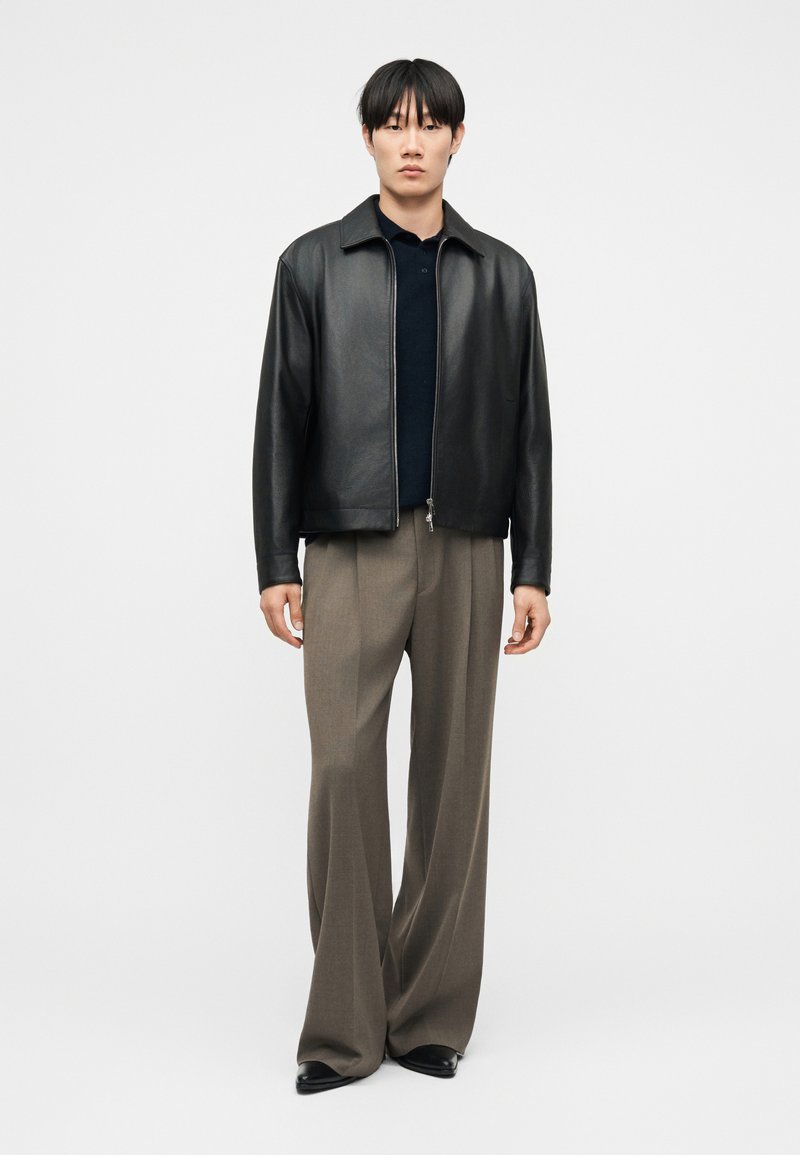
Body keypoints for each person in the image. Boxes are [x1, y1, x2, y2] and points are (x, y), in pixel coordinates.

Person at [252, 57, 553, 1095]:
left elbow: (530, 430)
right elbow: (280, 417)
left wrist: (533, 566)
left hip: (468, 545)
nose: (411, 141)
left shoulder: (502, 274)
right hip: (345, 545)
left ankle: (426, 1015)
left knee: (452, 778)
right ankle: (343, 1026)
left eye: (430, 125)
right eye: (393, 124)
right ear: (369, 138)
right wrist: (274, 558)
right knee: (343, 769)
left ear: (458, 139)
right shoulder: (311, 264)